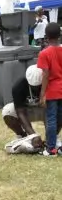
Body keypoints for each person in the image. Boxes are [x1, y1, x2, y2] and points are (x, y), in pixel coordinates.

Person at [2, 65, 45, 151]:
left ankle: (52, 138)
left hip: (45, 111)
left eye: (38, 86)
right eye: (33, 86)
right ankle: (23, 136)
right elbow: (20, 112)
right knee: (7, 111)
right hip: (27, 111)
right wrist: (33, 135)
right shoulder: (19, 86)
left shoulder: (50, 83)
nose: (36, 89)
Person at [38, 21, 62, 155]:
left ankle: (51, 148)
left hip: (52, 91)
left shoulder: (44, 53)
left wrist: (42, 94)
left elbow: (46, 75)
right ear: (60, 35)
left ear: (46, 36)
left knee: (51, 119)